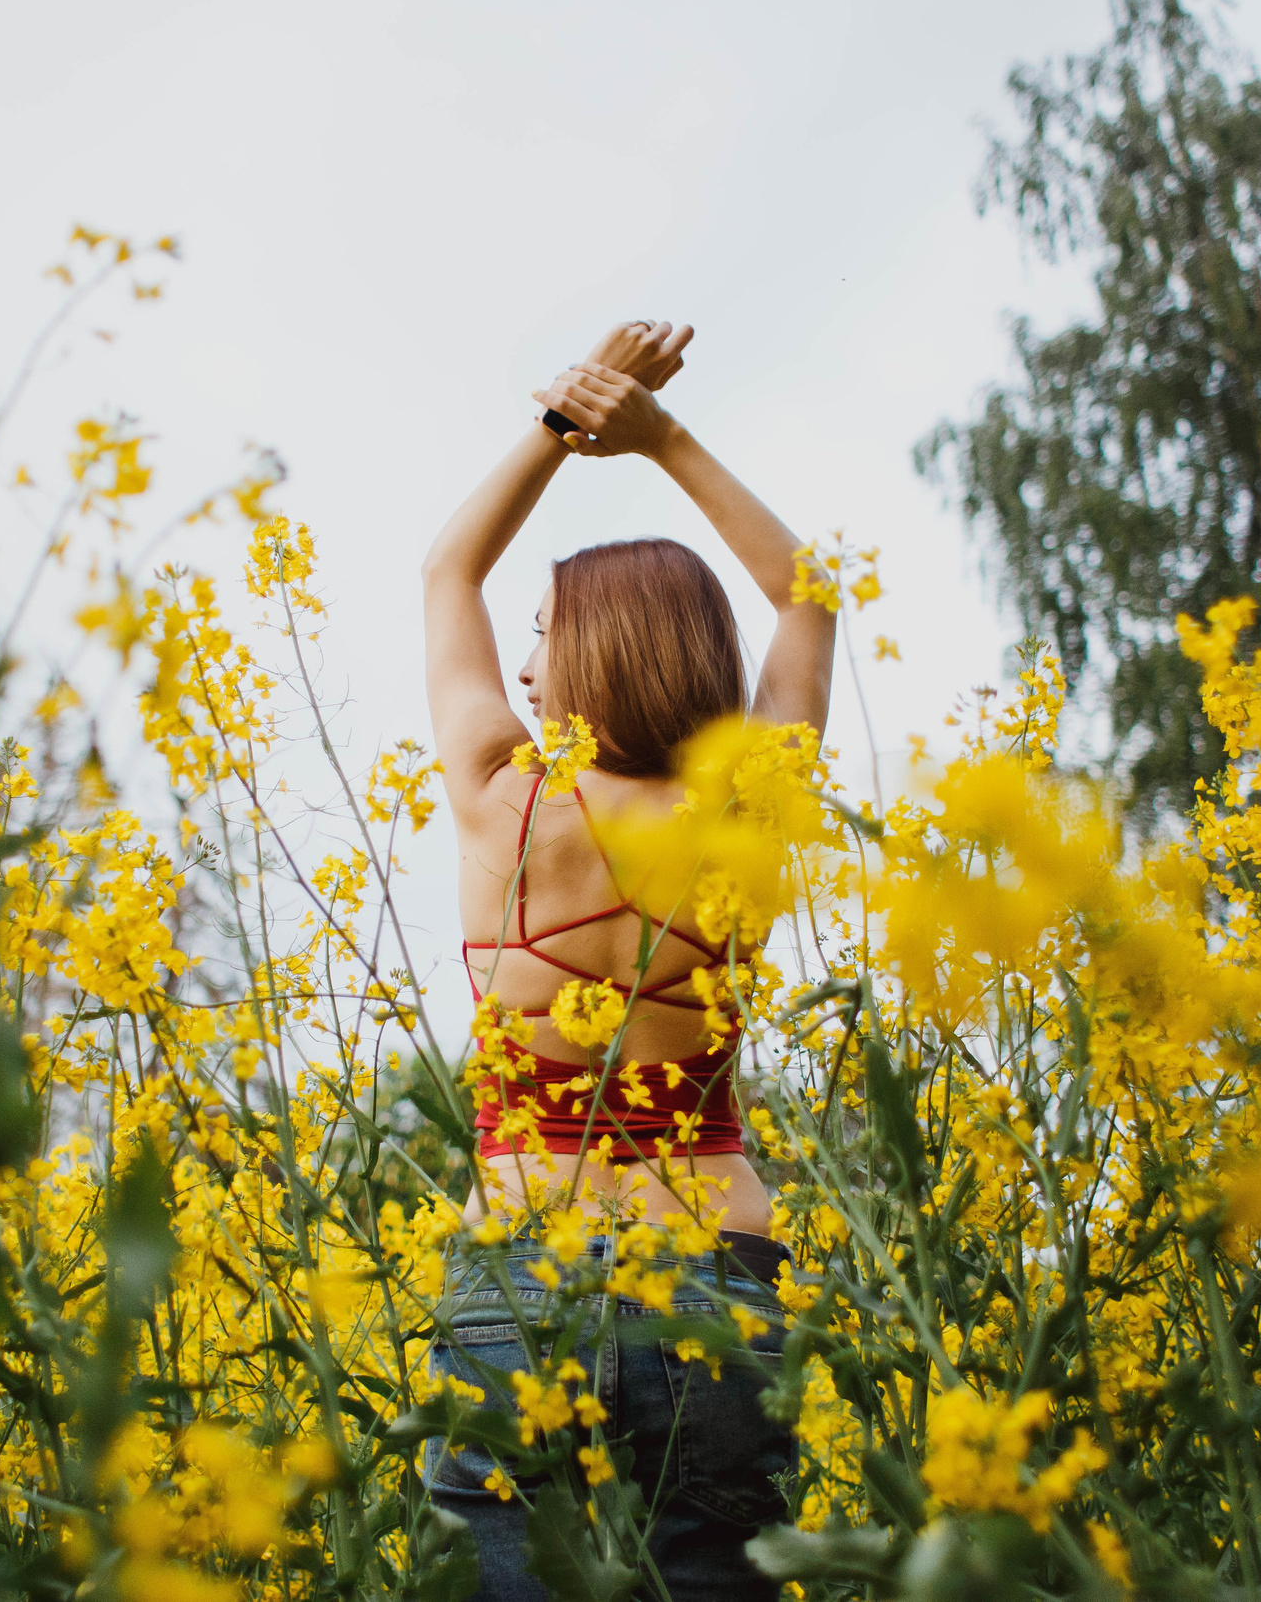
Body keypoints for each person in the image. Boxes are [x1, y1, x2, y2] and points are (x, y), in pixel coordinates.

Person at [417, 320, 836, 1601]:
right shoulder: (746, 811)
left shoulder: (501, 800)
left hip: (516, 1277)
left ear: (594, 649)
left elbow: (447, 569)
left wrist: (562, 422)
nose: (530, 659)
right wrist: (657, 440)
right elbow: (808, 588)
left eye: (546, 630)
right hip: (713, 1273)